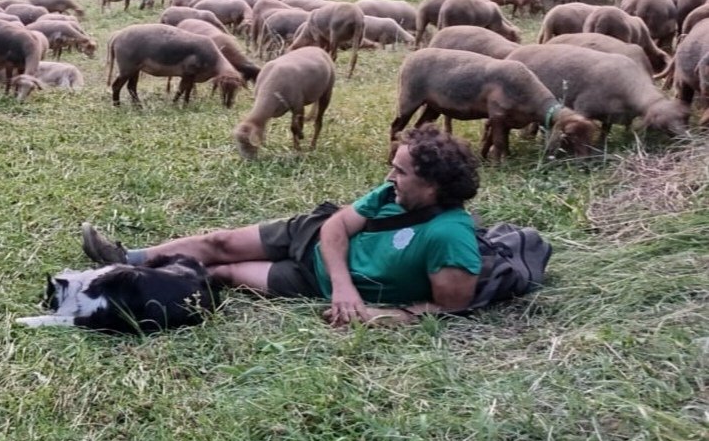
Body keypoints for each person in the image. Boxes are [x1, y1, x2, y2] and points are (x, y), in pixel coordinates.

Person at [81, 125, 482, 327]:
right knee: (218, 242)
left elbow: (449, 307)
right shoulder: (391, 193)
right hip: (310, 236)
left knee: (223, 274)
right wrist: (345, 286)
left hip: (312, 280)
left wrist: (374, 316)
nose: (390, 176)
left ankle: (128, 288)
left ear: (431, 185)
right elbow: (336, 227)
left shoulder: (449, 237)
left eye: (401, 171)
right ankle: (128, 258)